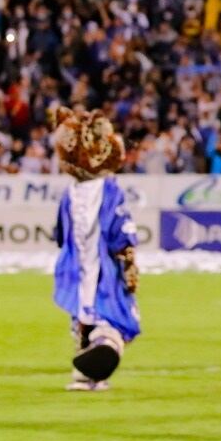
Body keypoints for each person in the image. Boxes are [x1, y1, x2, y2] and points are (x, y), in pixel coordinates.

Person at [51, 107, 140, 392]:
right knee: (106, 312)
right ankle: (101, 351)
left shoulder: (73, 192)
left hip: (80, 267)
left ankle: (95, 357)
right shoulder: (108, 189)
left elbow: (60, 232)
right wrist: (128, 258)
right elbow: (120, 229)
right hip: (99, 267)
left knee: (88, 312)